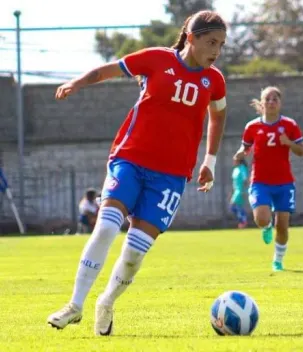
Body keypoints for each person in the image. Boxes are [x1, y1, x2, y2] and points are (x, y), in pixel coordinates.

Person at [47, 10, 228, 336]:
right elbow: (109, 70)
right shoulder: (156, 59)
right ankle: (74, 305)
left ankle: (107, 301)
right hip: (129, 160)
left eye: (221, 45)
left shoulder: (213, 80)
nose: (216, 51)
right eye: (211, 42)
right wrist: (76, 82)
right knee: (104, 229)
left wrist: (210, 162)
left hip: (171, 176)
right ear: (192, 37)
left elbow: (218, 117)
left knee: (133, 254)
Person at [233, 86, 303, 272]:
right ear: (261, 103)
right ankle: (266, 228)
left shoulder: (290, 125)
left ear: (280, 103)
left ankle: (278, 260)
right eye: (268, 99)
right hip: (260, 181)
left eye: (275, 99)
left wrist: (288, 143)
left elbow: (302, 151)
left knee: (282, 226)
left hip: (284, 182)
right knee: (262, 218)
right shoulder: (252, 127)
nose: (271, 102)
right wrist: (240, 153)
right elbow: (246, 147)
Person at [229, 157, 249, 228]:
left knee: (234, 205)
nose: (233, 161)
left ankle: (243, 221)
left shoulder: (242, 168)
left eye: (235, 159)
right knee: (234, 207)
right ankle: (243, 220)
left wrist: (244, 191)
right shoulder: (235, 169)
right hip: (236, 190)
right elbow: (234, 182)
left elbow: (245, 180)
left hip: (240, 190)